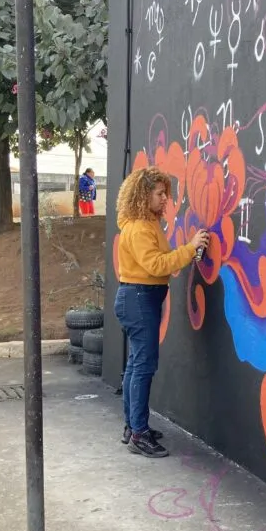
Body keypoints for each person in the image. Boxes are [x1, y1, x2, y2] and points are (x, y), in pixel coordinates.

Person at [114, 166, 209, 458]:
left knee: (136, 364)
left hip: (140, 298)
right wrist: (191, 249)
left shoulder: (144, 223)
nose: (165, 199)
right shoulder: (141, 228)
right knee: (143, 366)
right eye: (159, 194)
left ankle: (133, 427)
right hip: (140, 299)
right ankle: (139, 434)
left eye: (165, 194)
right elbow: (156, 265)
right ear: (144, 195)